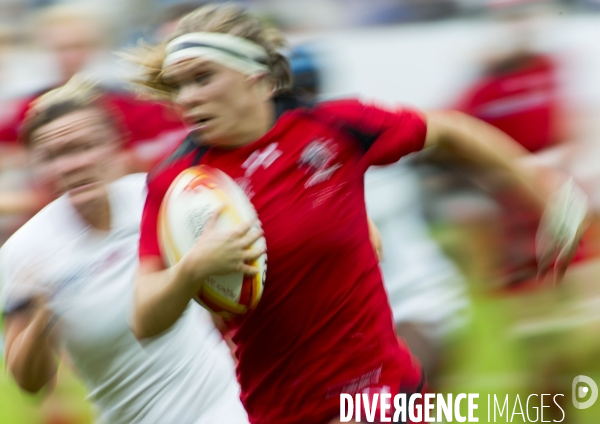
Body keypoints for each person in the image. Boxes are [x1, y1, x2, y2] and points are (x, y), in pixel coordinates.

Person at [128, 4, 586, 423]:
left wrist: (549, 202)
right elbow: (144, 318)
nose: (186, 98)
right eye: (178, 85)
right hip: (283, 411)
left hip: (385, 395)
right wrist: (193, 269)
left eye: (203, 78)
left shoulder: (333, 128)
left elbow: (451, 131)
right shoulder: (177, 183)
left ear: (256, 76)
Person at [1, 76, 250, 424]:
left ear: (114, 146)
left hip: (221, 406)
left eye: (83, 147)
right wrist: (43, 314)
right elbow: (30, 383)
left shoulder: (156, 200)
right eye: (54, 155)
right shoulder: (25, 250)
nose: (71, 164)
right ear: (39, 166)